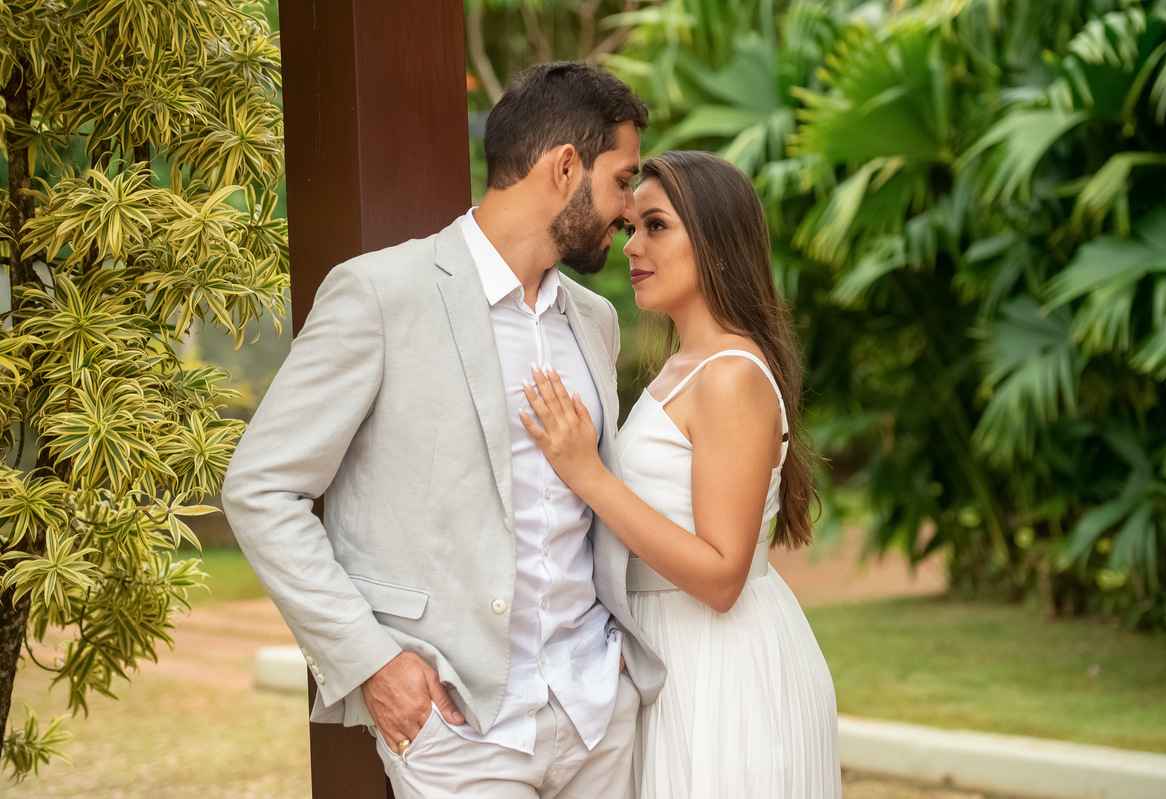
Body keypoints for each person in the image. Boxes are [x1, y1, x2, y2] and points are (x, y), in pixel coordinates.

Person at [221, 61, 666, 798]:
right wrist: (370, 660)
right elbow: (261, 489)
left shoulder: (595, 321)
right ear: (564, 168)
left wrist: (614, 663)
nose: (627, 208)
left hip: (597, 711)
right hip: (461, 727)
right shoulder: (379, 295)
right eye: (621, 180)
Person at [519, 150, 842, 798]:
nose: (632, 245)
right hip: (669, 655)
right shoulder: (685, 365)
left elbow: (723, 574)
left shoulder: (729, 376)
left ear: (716, 240)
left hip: (720, 666)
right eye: (634, 226)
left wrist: (590, 475)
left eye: (657, 226)